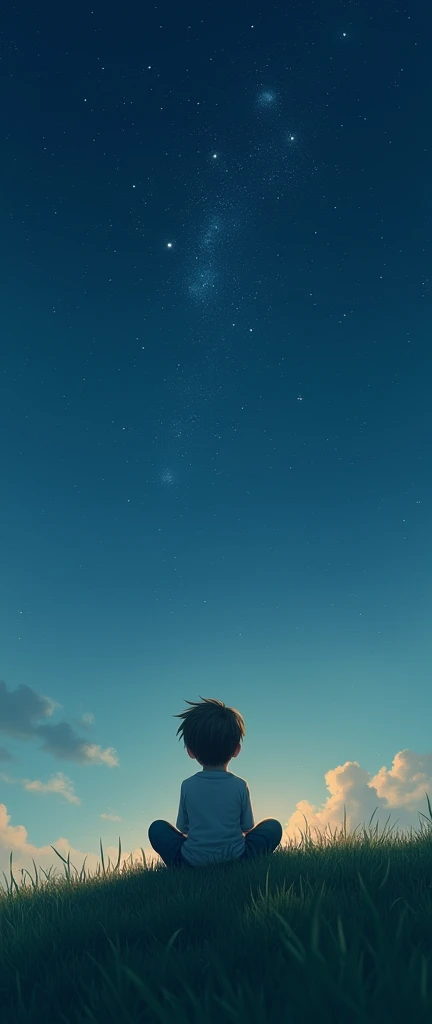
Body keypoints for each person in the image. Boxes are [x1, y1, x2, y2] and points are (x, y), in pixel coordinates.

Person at [148, 696, 283, 869]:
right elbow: (247, 826)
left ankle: (181, 867)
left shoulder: (187, 785)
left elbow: (184, 828)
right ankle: (244, 862)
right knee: (273, 827)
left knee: (157, 829)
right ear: (236, 750)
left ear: (190, 751)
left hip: (193, 861)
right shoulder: (240, 785)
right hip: (237, 857)